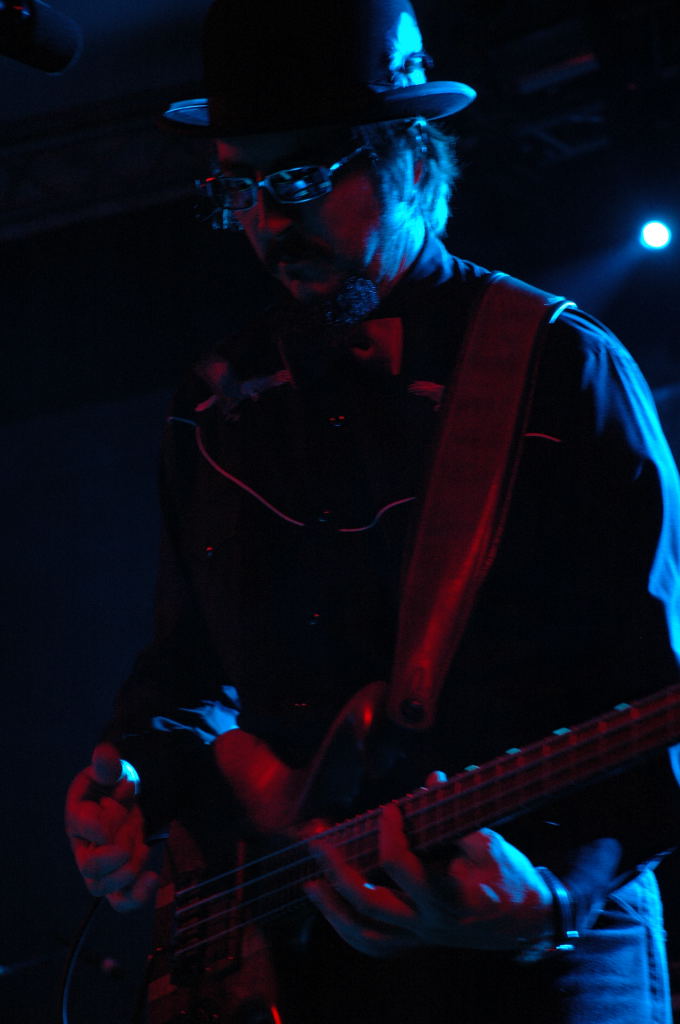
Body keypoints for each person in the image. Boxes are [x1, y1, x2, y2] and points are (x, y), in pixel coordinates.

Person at [65, 1, 680, 1021]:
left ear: (415, 158)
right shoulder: (215, 404)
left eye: (303, 180)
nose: (268, 225)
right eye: (240, 188)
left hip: (543, 955)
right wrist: (133, 780)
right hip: (292, 960)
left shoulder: (559, 369)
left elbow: (658, 702)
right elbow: (185, 673)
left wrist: (552, 894)